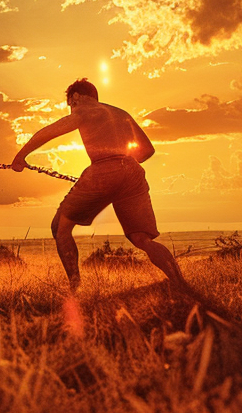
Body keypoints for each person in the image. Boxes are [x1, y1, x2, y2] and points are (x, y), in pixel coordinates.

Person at [11, 78, 187, 291]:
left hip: (104, 170)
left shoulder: (83, 111)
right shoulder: (121, 113)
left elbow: (49, 132)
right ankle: (181, 284)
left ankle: (75, 288)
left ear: (75, 97)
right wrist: (122, 167)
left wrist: (20, 156)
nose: (71, 108)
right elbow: (148, 150)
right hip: (133, 172)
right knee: (142, 238)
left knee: (61, 227)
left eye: (70, 104)